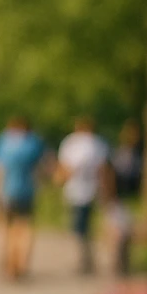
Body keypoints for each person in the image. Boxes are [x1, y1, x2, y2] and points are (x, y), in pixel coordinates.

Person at [0, 116, 46, 280]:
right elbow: (42, 167)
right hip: (27, 191)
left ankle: (8, 264)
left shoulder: (2, 141)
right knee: (25, 228)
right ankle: (22, 264)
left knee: (5, 229)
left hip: (5, 191)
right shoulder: (33, 143)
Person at [56, 115, 112, 274]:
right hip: (93, 190)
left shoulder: (71, 143)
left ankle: (83, 258)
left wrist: (59, 181)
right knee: (88, 225)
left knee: (78, 226)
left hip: (75, 190)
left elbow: (64, 168)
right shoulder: (99, 143)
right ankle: (88, 257)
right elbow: (104, 170)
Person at [110, 120, 143, 275]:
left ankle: (122, 262)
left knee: (125, 231)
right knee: (121, 231)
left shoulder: (133, 154)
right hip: (120, 197)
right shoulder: (123, 154)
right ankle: (120, 263)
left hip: (127, 198)